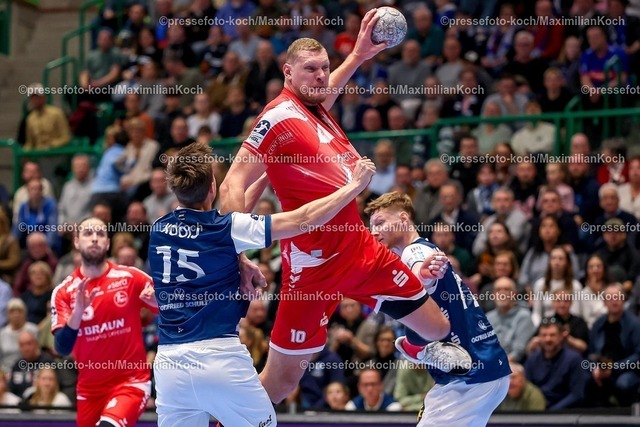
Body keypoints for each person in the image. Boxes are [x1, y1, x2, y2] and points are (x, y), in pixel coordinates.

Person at [219, 11, 462, 406]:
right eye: (310, 69)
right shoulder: (277, 118)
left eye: (324, 68)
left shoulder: (316, 110)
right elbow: (232, 183)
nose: (320, 76)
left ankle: (414, 348)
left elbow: (326, 93)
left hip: (359, 250)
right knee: (279, 384)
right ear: (287, 72)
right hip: (312, 269)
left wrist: (359, 56)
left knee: (437, 328)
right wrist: (240, 256)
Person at [148, 142, 377, 426]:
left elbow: (228, 222)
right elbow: (303, 219)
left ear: (176, 189)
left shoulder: (158, 229)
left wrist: (269, 173)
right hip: (218, 357)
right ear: (212, 187)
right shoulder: (228, 229)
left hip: (170, 366)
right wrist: (355, 186)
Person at [366, 192, 511, 426]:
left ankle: (416, 349)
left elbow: (421, 270)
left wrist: (423, 278)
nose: (374, 231)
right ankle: (417, 349)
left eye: (380, 222)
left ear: (403, 218)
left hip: (470, 376)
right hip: (478, 370)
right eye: (371, 226)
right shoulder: (413, 254)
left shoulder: (415, 251)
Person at [51, 217, 158, 427]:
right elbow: (62, 348)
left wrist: (158, 301)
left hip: (131, 382)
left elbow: (170, 305)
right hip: (89, 391)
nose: (94, 239)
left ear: (108, 243)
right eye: (88, 233)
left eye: (100, 234)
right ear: (76, 242)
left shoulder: (130, 277)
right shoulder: (63, 292)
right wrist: (77, 312)